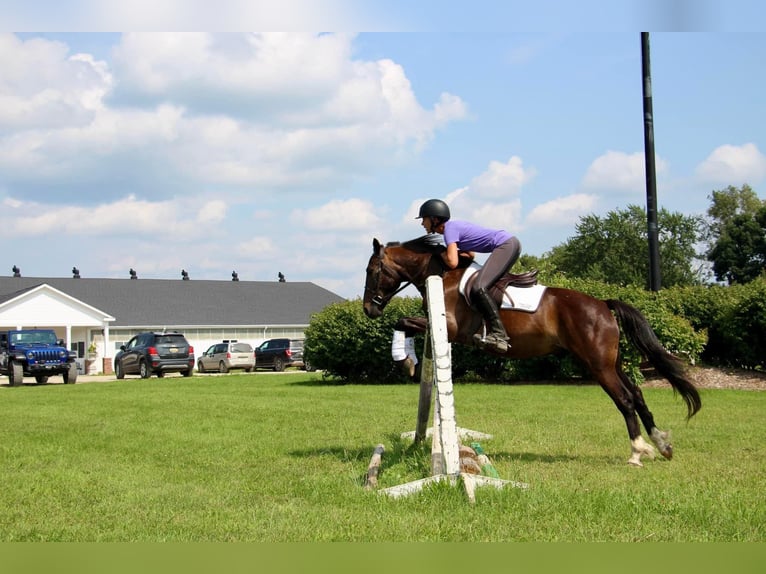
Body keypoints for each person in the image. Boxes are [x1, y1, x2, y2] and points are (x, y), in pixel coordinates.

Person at [416, 198, 521, 353]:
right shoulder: (452, 228)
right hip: (508, 244)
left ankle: (499, 335)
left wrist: (439, 252)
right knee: (482, 286)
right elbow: (470, 255)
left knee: (479, 287)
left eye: (424, 219)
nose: (422, 224)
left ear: (434, 219)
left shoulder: (449, 230)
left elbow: (452, 262)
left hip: (505, 245)